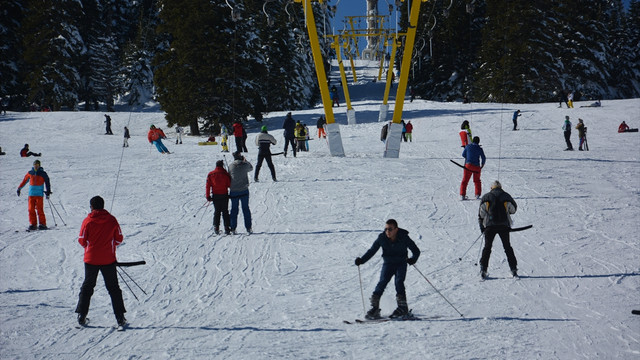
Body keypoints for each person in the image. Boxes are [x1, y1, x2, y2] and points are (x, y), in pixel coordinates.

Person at [75, 196, 127, 328]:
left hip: (90, 259)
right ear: (103, 206)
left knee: (87, 287)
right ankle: (120, 317)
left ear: (92, 207)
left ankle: (82, 315)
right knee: (113, 288)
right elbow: (119, 238)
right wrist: (109, 247)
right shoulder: (112, 220)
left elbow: (81, 240)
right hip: (108, 259)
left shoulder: (87, 221)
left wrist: (91, 247)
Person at [355, 219, 420, 319]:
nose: (387, 231)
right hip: (388, 264)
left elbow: (416, 250)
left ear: (396, 229)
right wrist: (362, 260)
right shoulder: (382, 238)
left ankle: (402, 308)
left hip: (401, 263)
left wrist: (413, 259)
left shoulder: (404, 237)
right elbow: (372, 250)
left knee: (399, 282)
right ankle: (375, 309)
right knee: (382, 282)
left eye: (390, 229)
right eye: (386, 229)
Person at [478, 181, 518, 279]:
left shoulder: (486, 197)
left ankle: (483, 269)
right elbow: (513, 210)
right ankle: (513, 269)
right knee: (507, 247)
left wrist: (482, 227)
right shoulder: (506, 196)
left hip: (489, 226)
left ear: (491, 188)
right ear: (500, 187)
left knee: (487, 247)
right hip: (504, 225)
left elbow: (481, 214)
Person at [17, 159, 51, 230]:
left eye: (37, 165)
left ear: (39, 165)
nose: (36, 166)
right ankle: (33, 224)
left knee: (39, 209)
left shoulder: (43, 173)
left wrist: (48, 191)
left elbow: (47, 182)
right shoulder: (30, 173)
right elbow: (24, 181)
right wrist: (19, 188)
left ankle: (42, 224)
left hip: (39, 195)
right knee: (30, 209)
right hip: (31, 195)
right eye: (35, 165)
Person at [228, 151, 253, 234]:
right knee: (245, 209)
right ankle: (248, 228)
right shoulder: (245, 165)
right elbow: (251, 168)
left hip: (234, 190)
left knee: (234, 209)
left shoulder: (231, 166)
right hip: (244, 190)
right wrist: (245, 161)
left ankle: (233, 228)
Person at [206, 160, 231, 235]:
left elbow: (207, 186)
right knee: (225, 211)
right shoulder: (225, 174)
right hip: (224, 195)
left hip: (215, 196)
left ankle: (216, 227)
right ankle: (227, 227)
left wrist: (208, 196)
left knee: (217, 211)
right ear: (222, 166)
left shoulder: (210, 174)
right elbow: (229, 184)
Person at [460, 136, 486, 200]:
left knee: (465, 181)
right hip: (476, 167)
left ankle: (462, 195)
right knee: (477, 181)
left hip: (468, 166)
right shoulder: (480, 148)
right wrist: (482, 165)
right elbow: (483, 158)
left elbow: (463, 155)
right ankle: (477, 194)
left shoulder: (468, 146)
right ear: (478, 142)